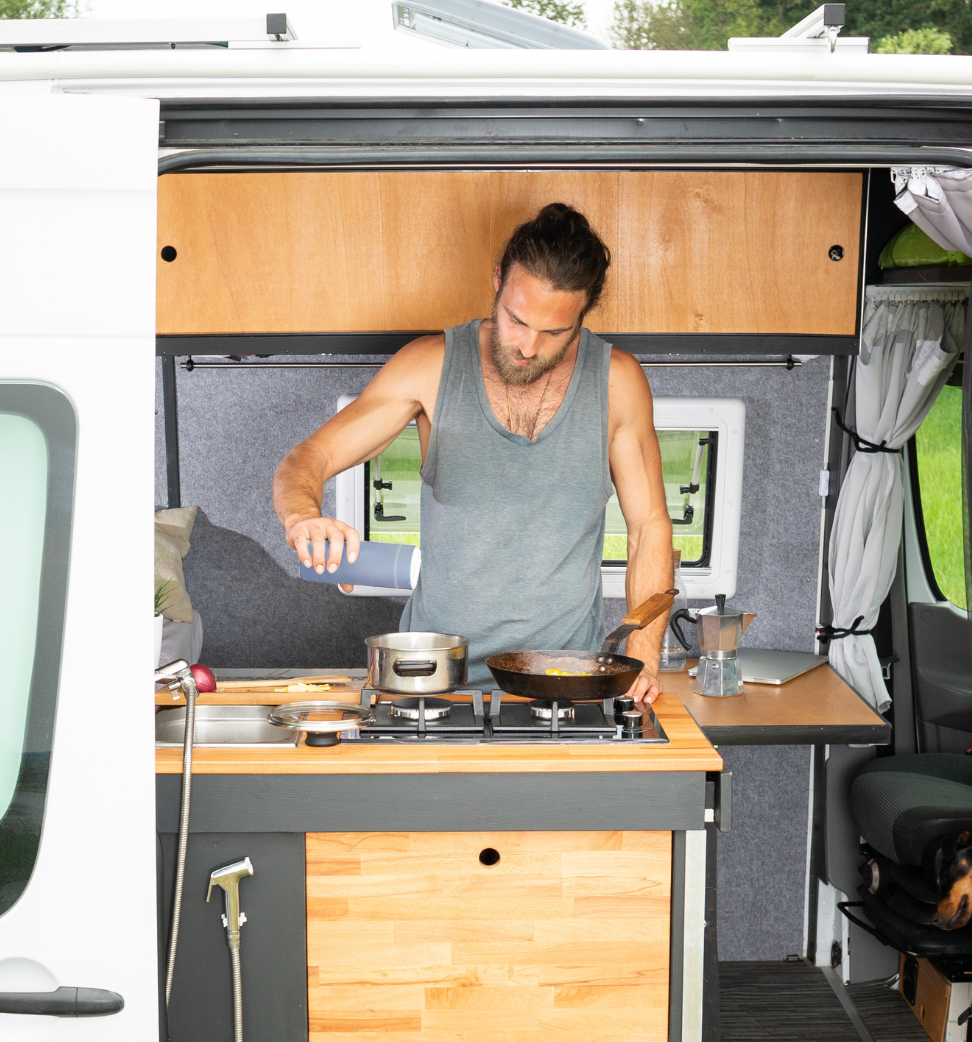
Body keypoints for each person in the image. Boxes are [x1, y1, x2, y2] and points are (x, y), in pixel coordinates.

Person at [270, 202, 678, 701]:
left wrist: (645, 653)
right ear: (497, 282)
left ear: (583, 314)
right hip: (433, 678)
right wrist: (302, 518)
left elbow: (649, 528)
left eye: (554, 332)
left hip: (563, 680)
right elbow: (309, 457)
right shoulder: (430, 366)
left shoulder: (617, 381)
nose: (529, 346)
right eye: (516, 320)